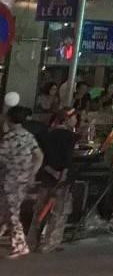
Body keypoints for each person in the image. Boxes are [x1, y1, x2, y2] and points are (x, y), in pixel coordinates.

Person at [0, 106, 43, 258]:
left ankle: (20, 246)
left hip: (10, 180)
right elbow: (39, 156)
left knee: (11, 213)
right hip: (23, 180)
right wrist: (32, 173)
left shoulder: (8, 139)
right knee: (7, 211)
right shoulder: (28, 136)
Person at [34, 108, 77, 252]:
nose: (76, 121)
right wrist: (62, 175)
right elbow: (67, 159)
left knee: (40, 209)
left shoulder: (43, 134)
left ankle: (32, 240)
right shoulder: (69, 136)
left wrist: (51, 171)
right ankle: (50, 242)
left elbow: (40, 158)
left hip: (46, 176)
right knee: (58, 212)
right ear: (66, 120)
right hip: (61, 178)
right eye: (74, 118)